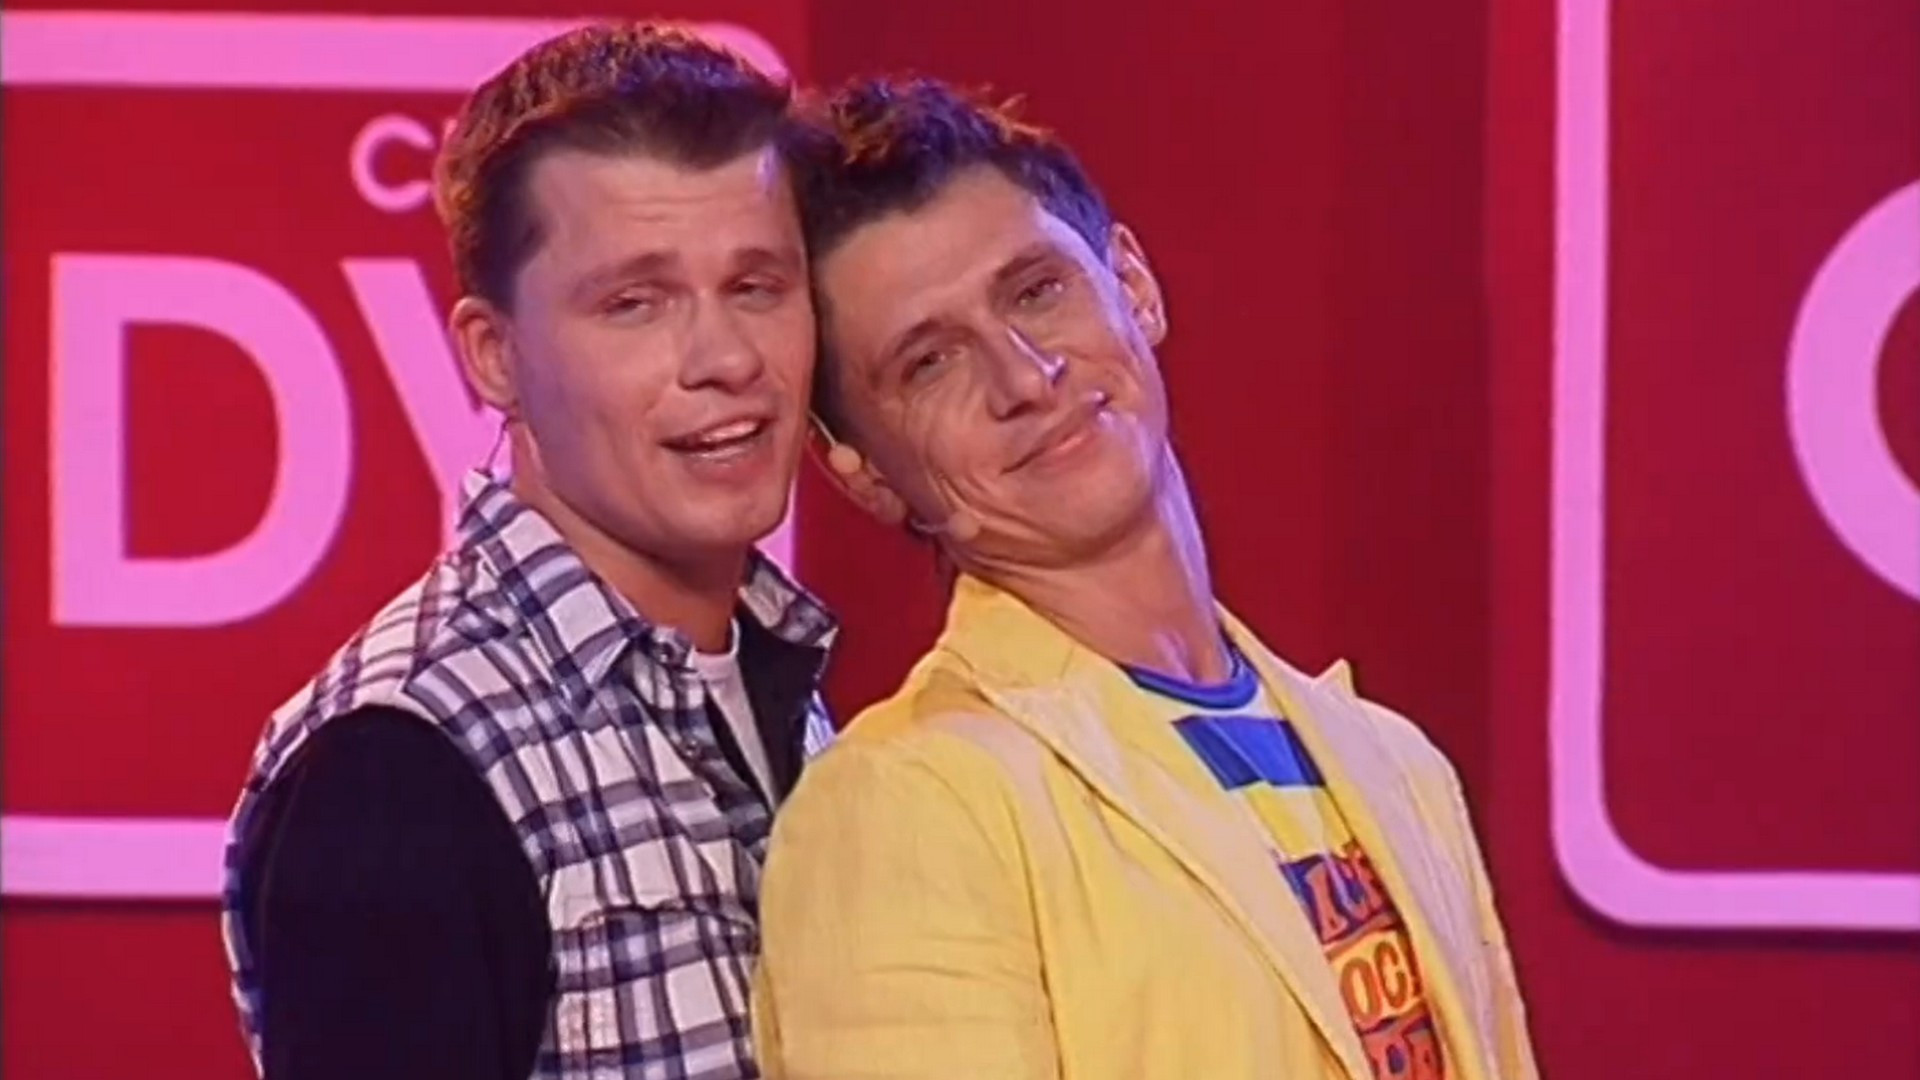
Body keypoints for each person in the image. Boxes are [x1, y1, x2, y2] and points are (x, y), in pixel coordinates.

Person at [752, 78, 1538, 1080]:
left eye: (1036, 291)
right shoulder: (907, 807)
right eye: (930, 363)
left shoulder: (1399, 767)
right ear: (861, 471)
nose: (1024, 377)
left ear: (1133, 284)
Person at [219, 23, 835, 1080]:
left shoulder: (782, 679)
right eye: (635, 304)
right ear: (494, 355)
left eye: (757, 286)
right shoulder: (397, 762)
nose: (727, 358)